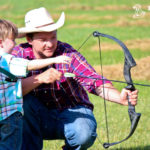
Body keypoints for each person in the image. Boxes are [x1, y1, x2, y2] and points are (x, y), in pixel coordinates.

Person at [12, 7, 138, 150]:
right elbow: (7, 90)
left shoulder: (67, 53)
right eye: (43, 40)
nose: (50, 44)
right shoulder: (18, 55)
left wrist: (120, 98)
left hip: (72, 112)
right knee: (22, 104)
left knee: (84, 135)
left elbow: (93, 80)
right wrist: (39, 78)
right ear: (29, 39)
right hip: (34, 117)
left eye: (53, 37)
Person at [0, 19, 71, 150]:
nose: (16, 44)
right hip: (9, 117)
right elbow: (29, 65)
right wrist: (55, 59)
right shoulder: (6, 60)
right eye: (12, 40)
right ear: (1, 43)